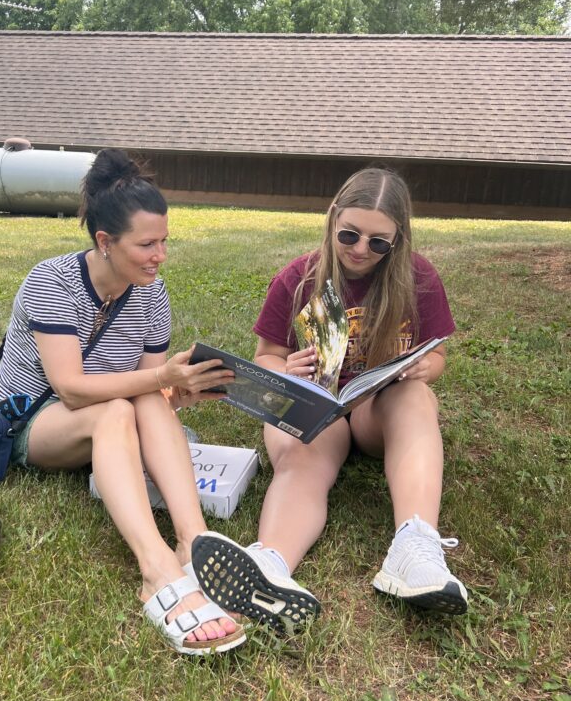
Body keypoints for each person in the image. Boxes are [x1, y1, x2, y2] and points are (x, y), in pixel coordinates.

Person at [191, 166, 467, 634]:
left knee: (417, 397)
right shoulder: (298, 279)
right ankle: (271, 564)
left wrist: (424, 366)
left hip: (378, 411)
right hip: (315, 406)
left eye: (379, 242)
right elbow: (267, 359)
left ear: (398, 240)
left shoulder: (417, 277)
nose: (361, 250)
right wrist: (287, 370)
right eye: (350, 234)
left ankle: (414, 549)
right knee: (303, 456)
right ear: (332, 217)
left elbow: (437, 355)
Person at [0, 148, 245, 655]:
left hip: (108, 424)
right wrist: (157, 381)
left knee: (147, 396)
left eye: (165, 242)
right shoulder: (52, 281)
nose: (160, 256)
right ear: (105, 242)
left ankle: (192, 541)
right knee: (123, 402)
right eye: (147, 244)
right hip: (32, 422)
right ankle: (155, 569)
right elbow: (69, 388)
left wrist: (182, 391)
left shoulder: (152, 292)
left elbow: (150, 394)